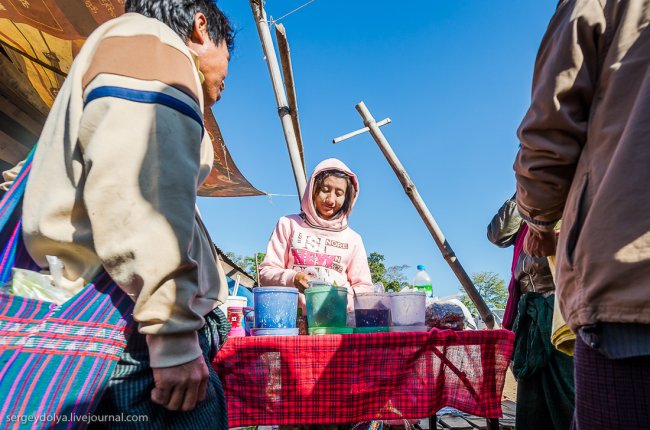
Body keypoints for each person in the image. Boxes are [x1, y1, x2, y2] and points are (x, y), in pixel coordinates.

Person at [21, 0, 234, 427]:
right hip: (132, 335)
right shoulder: (154, 48)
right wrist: (173, 335)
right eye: (227, 52)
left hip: (123, 325)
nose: (227, 73)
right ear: (200, 27)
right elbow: (140, 195)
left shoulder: (124, 48)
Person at [514, 1, 650, 428]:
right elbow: (498, 232)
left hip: (620, 289)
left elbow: (547, 136)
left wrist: (538, 217)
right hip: (549, 307)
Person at [487, 195, 574, 430]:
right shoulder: (529, 202)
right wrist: (521, 194)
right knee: (531, 399)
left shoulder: (579, 188)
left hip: (564, 302)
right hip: (528, 305)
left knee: (568, 395)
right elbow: (498, 234)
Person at [259, 158, 373, 314]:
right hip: (292, 320)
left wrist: (339, 299)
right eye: (325, 189)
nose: (331, 200)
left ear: (348, 198)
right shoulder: (288, 224)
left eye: (339, 193)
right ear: (312, 189)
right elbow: (266, 273)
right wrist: (293, 278)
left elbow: (365, 289)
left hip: (337, 323)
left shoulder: (353, 239)